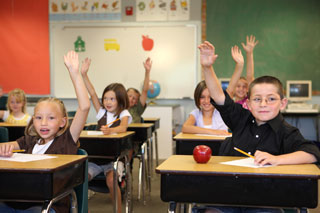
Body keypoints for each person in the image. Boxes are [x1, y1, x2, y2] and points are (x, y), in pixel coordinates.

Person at [198, 41, 320, 213]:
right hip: (229, 194)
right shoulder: (240, 118)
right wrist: (207, 68)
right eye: (257, 99)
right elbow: (219, 97)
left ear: (283, 103)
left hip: (265, 199)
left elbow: (312, 153)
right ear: (248, 103)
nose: (263, 104)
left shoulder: (287, 132)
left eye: (271, 99)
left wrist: (277, 159)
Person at [0, 50, 90, 213]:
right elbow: (7, 146)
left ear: (63, 122)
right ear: (33, 119)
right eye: (39, 117)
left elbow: (84, 107)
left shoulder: (66, 141)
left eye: (51, 118)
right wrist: (4, 149)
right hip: (19, 200)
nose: (43, 123)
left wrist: (75, 74)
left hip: (49, 205)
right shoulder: (29, 141)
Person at [81, 58, 132, 213]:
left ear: (120, 100)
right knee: (81, 178)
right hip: (96, 160)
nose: (108, 102)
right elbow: (92, 93)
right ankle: (83, 209)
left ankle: (118, 211)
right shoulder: (101, 112)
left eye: (112, 99)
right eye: (106, 98)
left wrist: (112, 131)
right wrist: (84, 74)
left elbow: (123, 127)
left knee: (111, 181)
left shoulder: (124, 113)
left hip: (114, 160)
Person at [227, 35, 259, 109]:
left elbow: (250, 76)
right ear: (234, 88)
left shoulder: (249, 100)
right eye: (238, 86)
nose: (241, 89)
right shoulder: (231, 104)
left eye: (244, 86)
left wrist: (249, 53)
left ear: (248, 89)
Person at [127, 57, 152, 123]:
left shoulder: (137, 109)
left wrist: (147, 72)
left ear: (136, 102)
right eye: (129, 96)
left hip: (136, 133)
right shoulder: (118, 108)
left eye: (134, 98)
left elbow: (145, 91)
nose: (131, 99)